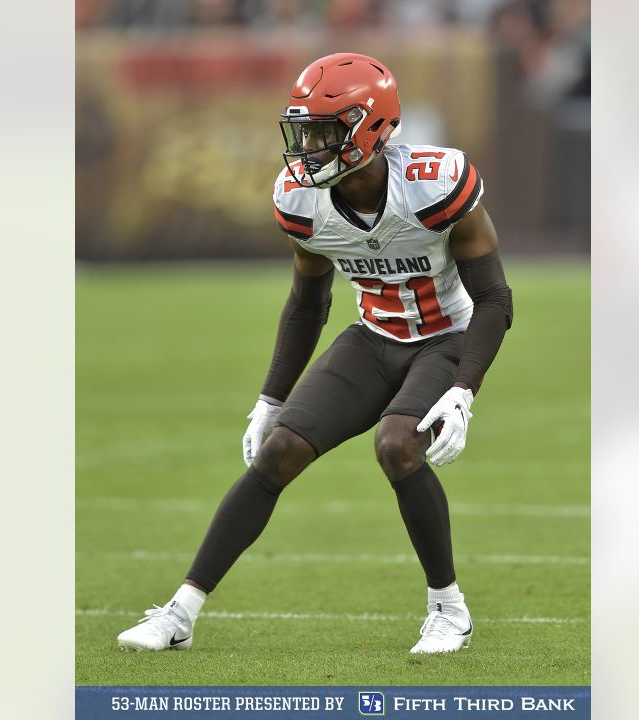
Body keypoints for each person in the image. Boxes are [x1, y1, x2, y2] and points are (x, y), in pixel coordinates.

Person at [116, 52, 513, 655]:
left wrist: (465, 390)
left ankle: (447, 609)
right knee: (277, 453)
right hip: (375, 337)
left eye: (324, 132)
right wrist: (269, 399)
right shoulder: (303, 201)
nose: (308, 147)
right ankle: (179, 613)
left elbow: (495, 299)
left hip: (446, 337)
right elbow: (307, 304)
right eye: (303, 132)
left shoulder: (434, 185)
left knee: (397, 444)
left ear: (369, 128)